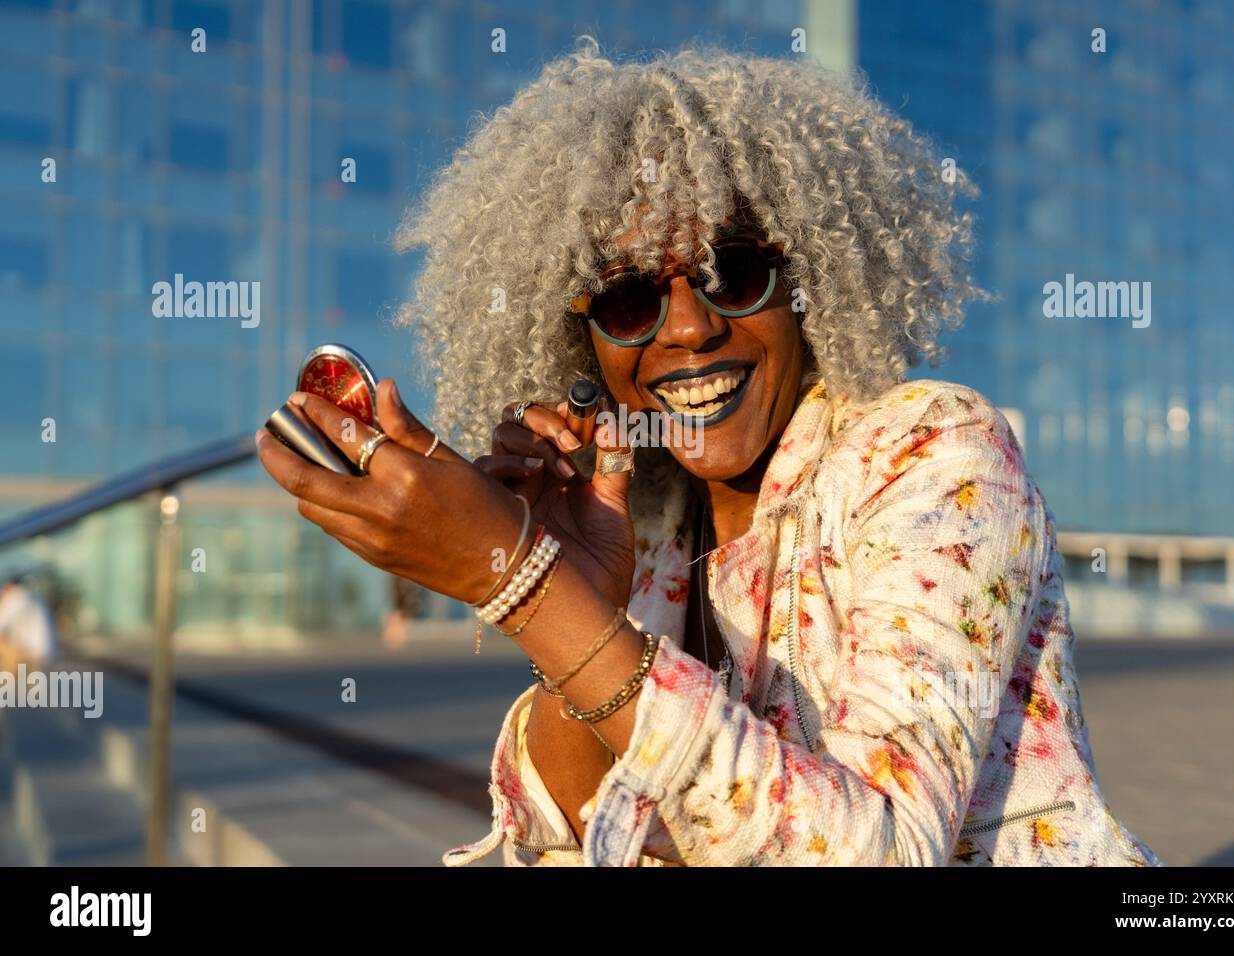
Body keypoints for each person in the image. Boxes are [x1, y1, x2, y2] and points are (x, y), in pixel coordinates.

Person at [256, 39, 1160, 866]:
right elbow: (581, 828)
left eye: (735, 271)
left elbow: (879, 850)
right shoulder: (643, 517)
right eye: (627, 297)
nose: (688, 325)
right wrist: (581, 595)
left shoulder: (934, 449)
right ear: (585, 342)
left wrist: (522, 587)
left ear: (806, 282)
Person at [0, 576, 58, 674]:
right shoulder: (32, 597)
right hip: (45, 650)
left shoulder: (16, 598)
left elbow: (2, 622)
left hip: (32, 653)